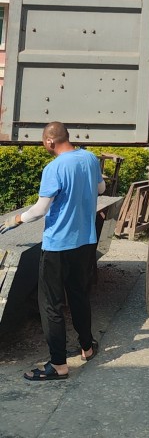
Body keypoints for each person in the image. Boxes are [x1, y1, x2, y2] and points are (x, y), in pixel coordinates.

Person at [0, 121, 106, 381]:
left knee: (51, 304)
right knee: (78, 295)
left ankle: (58, 365)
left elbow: (40, 210)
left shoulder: (54, 168)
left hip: (58, 245)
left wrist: (17, 219)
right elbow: (101, 189)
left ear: (49, 141)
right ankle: (87, 347)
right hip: (84, 241)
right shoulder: (90, 158)